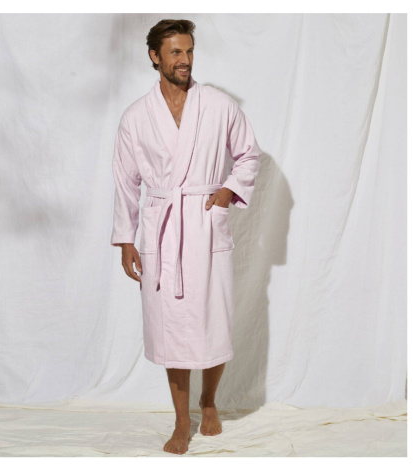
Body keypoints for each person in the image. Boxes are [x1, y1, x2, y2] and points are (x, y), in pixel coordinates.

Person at [110, 19, 262, 455]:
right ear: (154, 56)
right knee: (171, 326)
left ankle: (208, 402)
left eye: (189, 51)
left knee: (213, 319)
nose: (185, 60)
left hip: (204, 221)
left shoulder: (218, 105)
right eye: (175, 52)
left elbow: (248, 154)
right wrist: (126, 239)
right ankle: (181, 420)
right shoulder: (136, 116)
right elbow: (125, 181)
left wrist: (227, 191)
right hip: (162, 228)